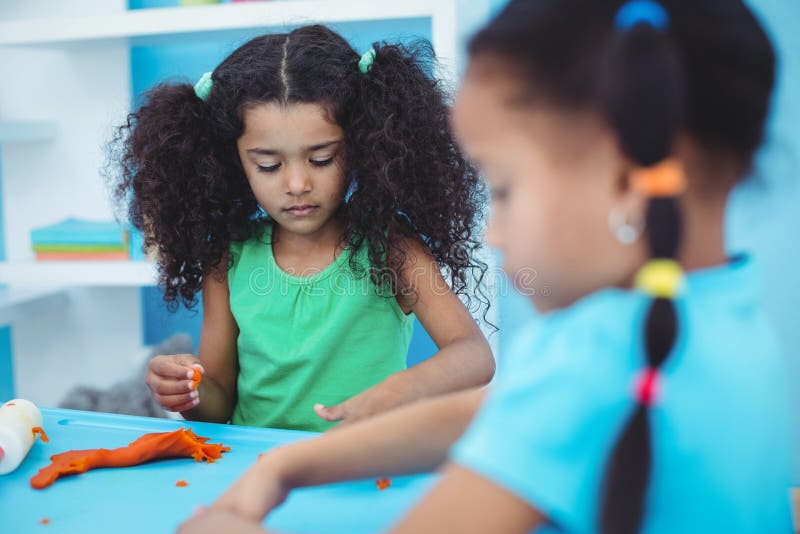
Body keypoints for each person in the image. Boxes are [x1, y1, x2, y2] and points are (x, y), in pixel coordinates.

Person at [179, 1, 794, 532]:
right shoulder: (717, 315)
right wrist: (290, 464)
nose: (495, 232)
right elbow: (496, 410)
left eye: (503, 189)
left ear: (627, 182)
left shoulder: (595, 363)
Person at [110, 24, 495, 432]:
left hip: (361, 465)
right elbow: (219, 400)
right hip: (255, 467)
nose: (297, 185)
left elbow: (473, 355)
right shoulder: (229, 257)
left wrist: (402, 390)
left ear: (363, 145)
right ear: (231, 163)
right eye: (269, 165)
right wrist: (190, 391)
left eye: (322, 158)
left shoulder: (390, 248)